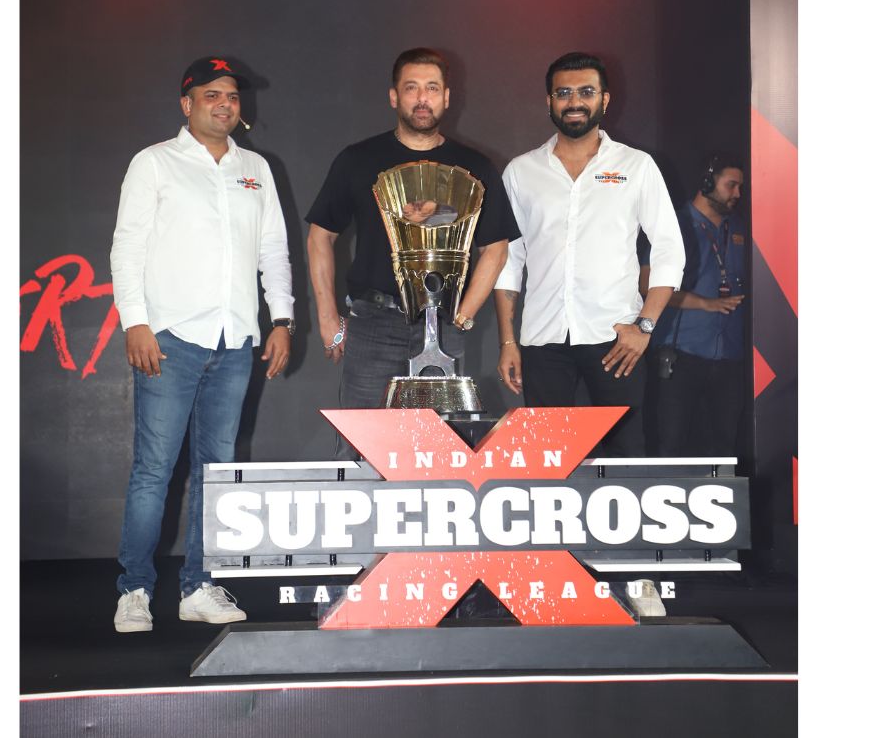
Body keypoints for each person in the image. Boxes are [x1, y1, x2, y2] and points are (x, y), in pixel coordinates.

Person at [492, 51, 684, 616]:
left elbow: (669, 251)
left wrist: (645, 325)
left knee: (626, 456)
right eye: (563, 93)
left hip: (616, 340)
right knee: (547, 463)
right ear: (548, 101)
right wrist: (508, 340)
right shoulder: (521, 172)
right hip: (543, 339)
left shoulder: (636, 166)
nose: (574, 102)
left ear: (604, 100)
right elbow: (509, 261)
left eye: (585, 92)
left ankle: (638, 577)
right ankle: (552, 583)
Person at [108, 55, 294, 633]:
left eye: (232, 96)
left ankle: (199, 586)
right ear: (187, 104)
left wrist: (282, 319)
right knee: (154, 469)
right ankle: (134, 590)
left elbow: (273, 250)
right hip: (169, 338)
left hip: (234, 340)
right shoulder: (155, 162)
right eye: (212, 95)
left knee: (218, 471)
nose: (224, 104)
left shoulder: (256, 168)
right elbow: (127, 246)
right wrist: (135, 322)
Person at [306, 48, 519, 456]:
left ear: (447, 97)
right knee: (361, 449)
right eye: (411, 88)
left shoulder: (474, 167)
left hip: (442, 326)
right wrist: (328, 316)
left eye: (432, 88)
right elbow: (320, 235)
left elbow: (496, 248)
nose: (422, 98)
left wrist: (462, 316)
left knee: (439, 452)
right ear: (394, 96)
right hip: (373, 324)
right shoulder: (358, 160)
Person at [645, 155, 748, 458]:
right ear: (707, 182)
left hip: (730, 356)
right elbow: (647, 286)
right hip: (682, 354)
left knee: (724, 446)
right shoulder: (672, 225)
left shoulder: (739, 227)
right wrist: (705, 304)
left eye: (740, 187)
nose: (737, 194)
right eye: (731, 185)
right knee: (672, 443)